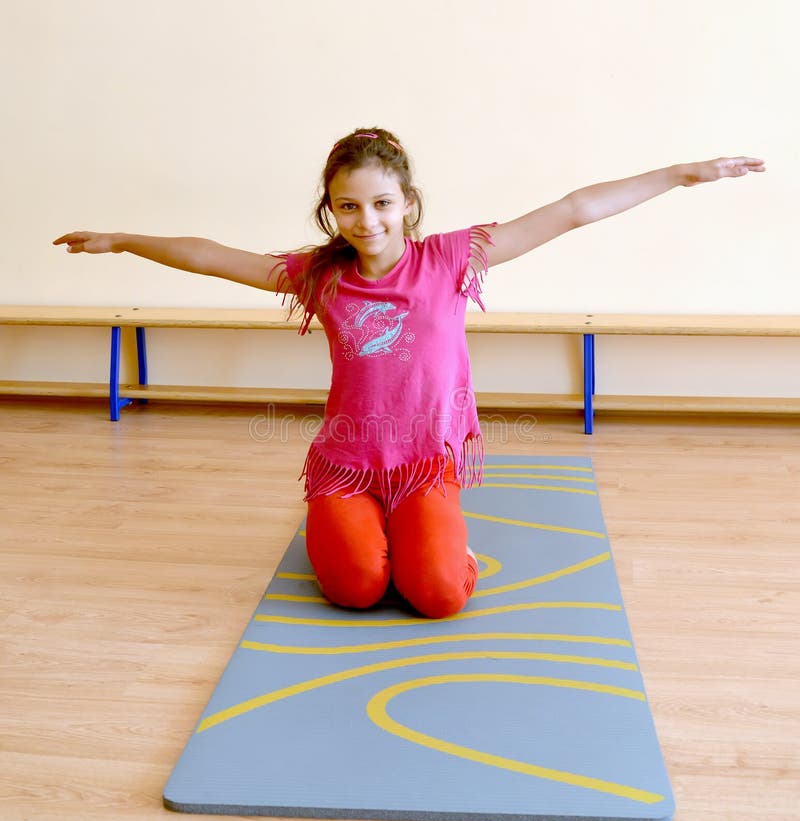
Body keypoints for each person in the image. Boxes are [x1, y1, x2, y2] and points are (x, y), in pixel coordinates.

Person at [53, 127, 765, 619]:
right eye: (349, 206)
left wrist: (680, 175)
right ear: (331, 211)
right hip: (348, 466)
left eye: (382, 203)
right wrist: (123, 241)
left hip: (426, 462)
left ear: (409, 205)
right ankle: (363, 529)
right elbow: (210, 254)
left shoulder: (451, 260)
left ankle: (434, 536)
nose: (367, 220)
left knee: (439, 596)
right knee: (358, 588)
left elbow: (574, 210)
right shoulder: (319, 277)